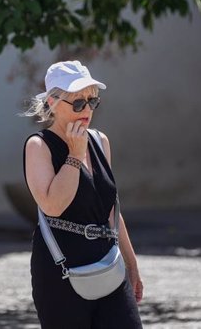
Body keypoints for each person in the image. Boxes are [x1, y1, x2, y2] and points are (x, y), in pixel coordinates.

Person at [22, 60, 143, 328]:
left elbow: (110, 209)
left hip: (108, 261)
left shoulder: (100, 141)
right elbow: (53, 206)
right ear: (53, 102)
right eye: (77, 103)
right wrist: (75, 155)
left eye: (92, 101)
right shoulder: (38, 147)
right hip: (61, 270)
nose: (87, 109)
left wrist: (131, 263)